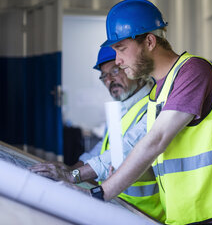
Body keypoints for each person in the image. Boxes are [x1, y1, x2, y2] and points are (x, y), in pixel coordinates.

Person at [90, 0, 212, 225]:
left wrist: (100, 193)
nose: (118, 60)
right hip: (183, 215)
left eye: (121, 49)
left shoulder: (193, 71)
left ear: (150, 41)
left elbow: (156, 140)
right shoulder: (159, 89)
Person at [30, 47, 165, 223]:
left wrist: (74, 175)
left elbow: (127, 151)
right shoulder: (121, 107)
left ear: (134, 69)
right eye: (104, 76)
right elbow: (101, 150)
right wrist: (69, 169)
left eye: (115, 71)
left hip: (147, 214)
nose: (109, 80)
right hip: (119, 205)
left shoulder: (154, 105)